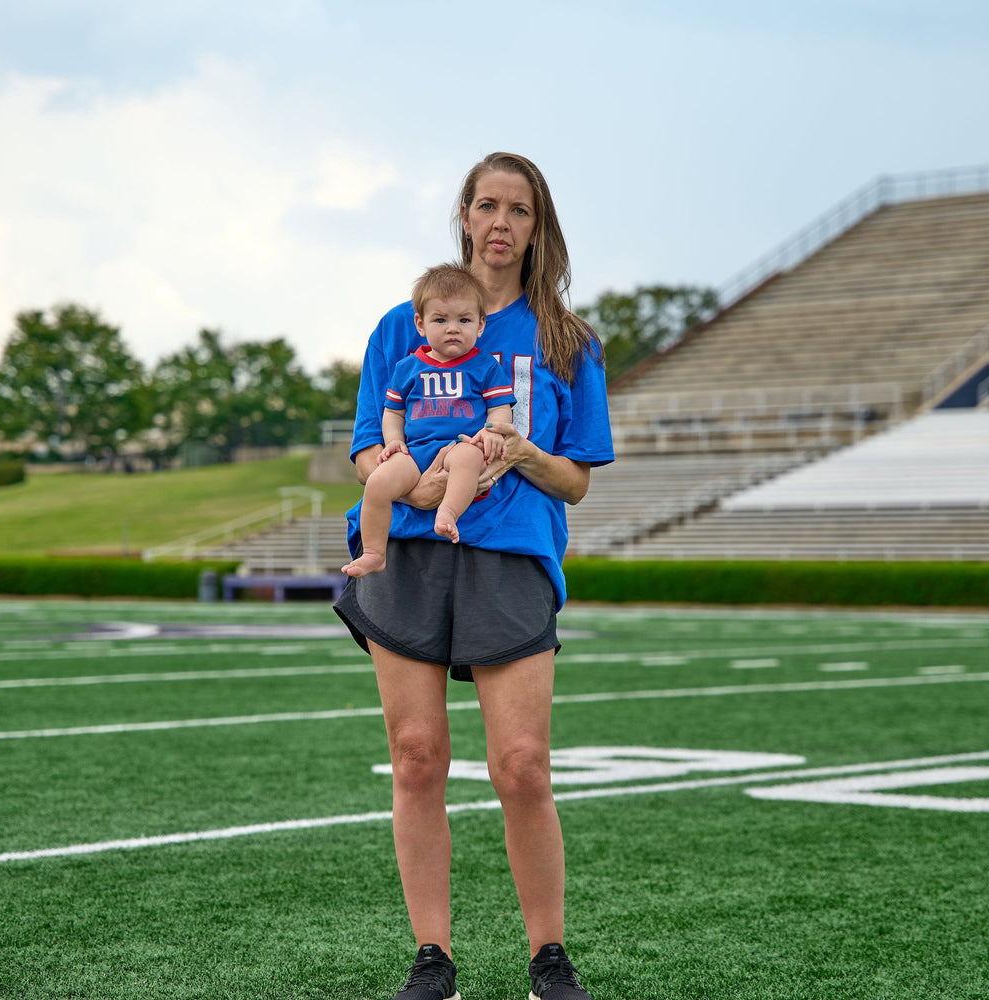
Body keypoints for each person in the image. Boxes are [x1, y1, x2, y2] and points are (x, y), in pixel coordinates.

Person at [334, 152, 614, 1000]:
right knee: (417, 757)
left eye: (519, 210)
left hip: (512, 554)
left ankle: (549, 959)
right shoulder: (401, 325)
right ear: (464, 216)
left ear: (539, 226)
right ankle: (433, 960)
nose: (501, 223)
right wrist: (402, 477)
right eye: (486, 206)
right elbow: (361, 450)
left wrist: (523, 452)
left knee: (522, 764)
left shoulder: (569, 340)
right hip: (412, 551)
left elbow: (578, 481)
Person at [341, 264, 516, 578]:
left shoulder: (484, 366)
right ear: (420, 324)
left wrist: (492, 432)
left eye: (464, 320)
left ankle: (447, 511)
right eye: (440, 320)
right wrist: (394, 442)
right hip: (415, 452)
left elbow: (500, 407)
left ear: (480, 325)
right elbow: (393, 412)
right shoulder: (407, 367)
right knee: (378, 482)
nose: (452, 328)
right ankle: (374, 552)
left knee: (467, 459)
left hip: (458, 446)